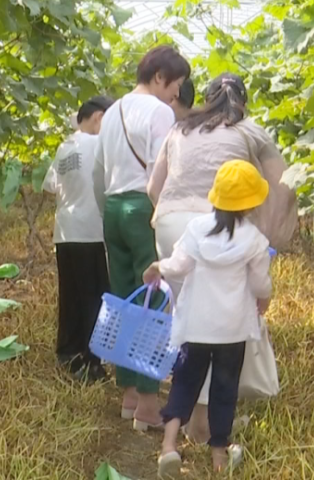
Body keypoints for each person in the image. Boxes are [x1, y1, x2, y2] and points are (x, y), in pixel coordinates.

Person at [147, 72, 298, 442]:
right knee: (221, 323)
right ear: (242, 103)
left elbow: (154, 187)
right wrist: (265, 235)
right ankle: (204, 426)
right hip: (218, 222)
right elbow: (284, 185)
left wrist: (175, 226)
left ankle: (185, 417)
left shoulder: (181, 128)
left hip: (170, 224)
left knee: (192, 322)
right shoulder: (250, 131)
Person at [143, 160, 272, 478]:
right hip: (232, 329)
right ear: (251, 203)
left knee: (185, 383)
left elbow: (178, 265)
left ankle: (169, 447)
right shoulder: (253, 239)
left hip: (195, 326)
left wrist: (159, 267)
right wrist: (265, 298)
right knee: (224, 389)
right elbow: (259, 284)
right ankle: (218, 456)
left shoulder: (198, 230)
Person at [93, 45, 191, 430]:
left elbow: (99, 172)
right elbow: (159, 174)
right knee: (153, 301)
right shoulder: (159, 111)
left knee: (122, 301)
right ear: (159, 77)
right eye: (175, 85)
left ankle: (129, 394)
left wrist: (110, 211)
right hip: (141, 207)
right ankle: (150, 403)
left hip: (114, 210)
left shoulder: (113, 110)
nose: (176, 95)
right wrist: (160, 214)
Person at [42, 95, 113, 382]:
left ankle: (68, 353)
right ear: (98, 118)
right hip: (91, 231)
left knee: (71, 294)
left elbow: (49, 186)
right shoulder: (98, 144)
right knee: (93, 298)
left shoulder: (65, 146)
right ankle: (91, 363)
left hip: (65, 231)